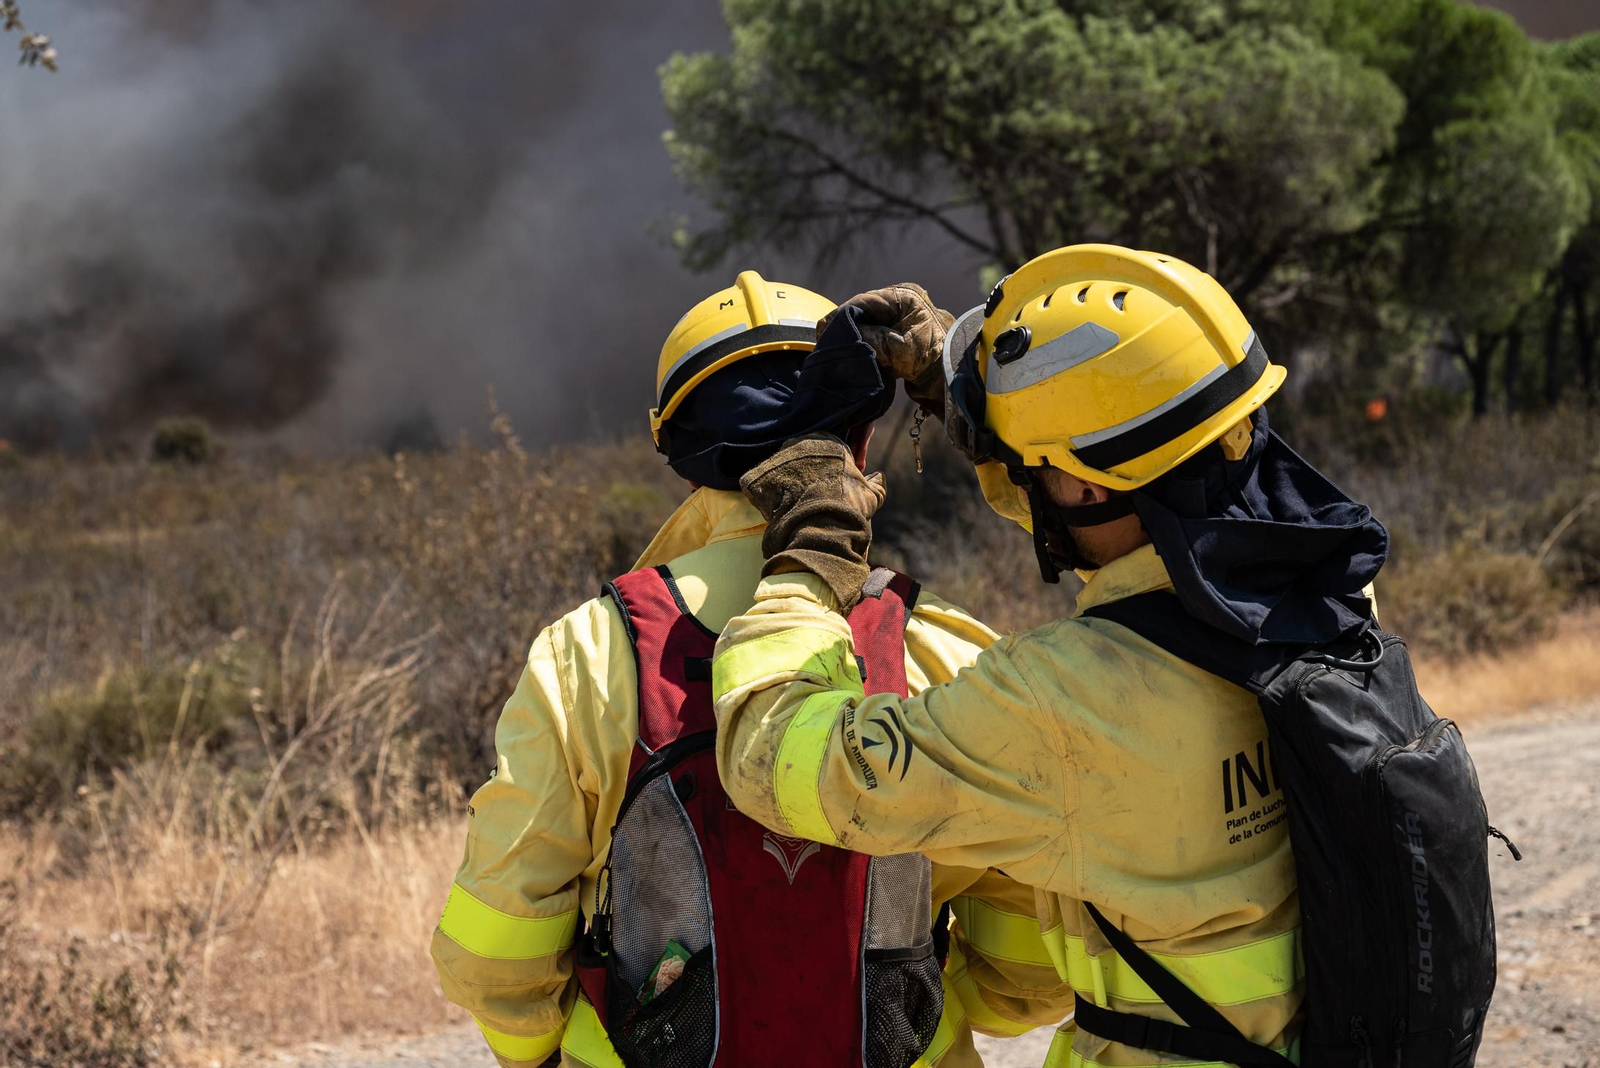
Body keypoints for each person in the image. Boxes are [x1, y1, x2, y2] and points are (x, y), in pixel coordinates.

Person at [711, 245, 1390, 1067]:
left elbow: (770, 758)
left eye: (1042, 471)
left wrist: (812, 547)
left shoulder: (1062, 701)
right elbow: (1128, 531)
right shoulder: (1331, 591)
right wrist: (970, 410)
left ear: (1089, 487)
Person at [430, 271, 1071, 1068]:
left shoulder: (588, 655)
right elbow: (1034, 944)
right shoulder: (940, 646)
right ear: (860, 441)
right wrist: (913, 1016)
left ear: (680, 451)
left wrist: (536, 1051)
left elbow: (498, 947)